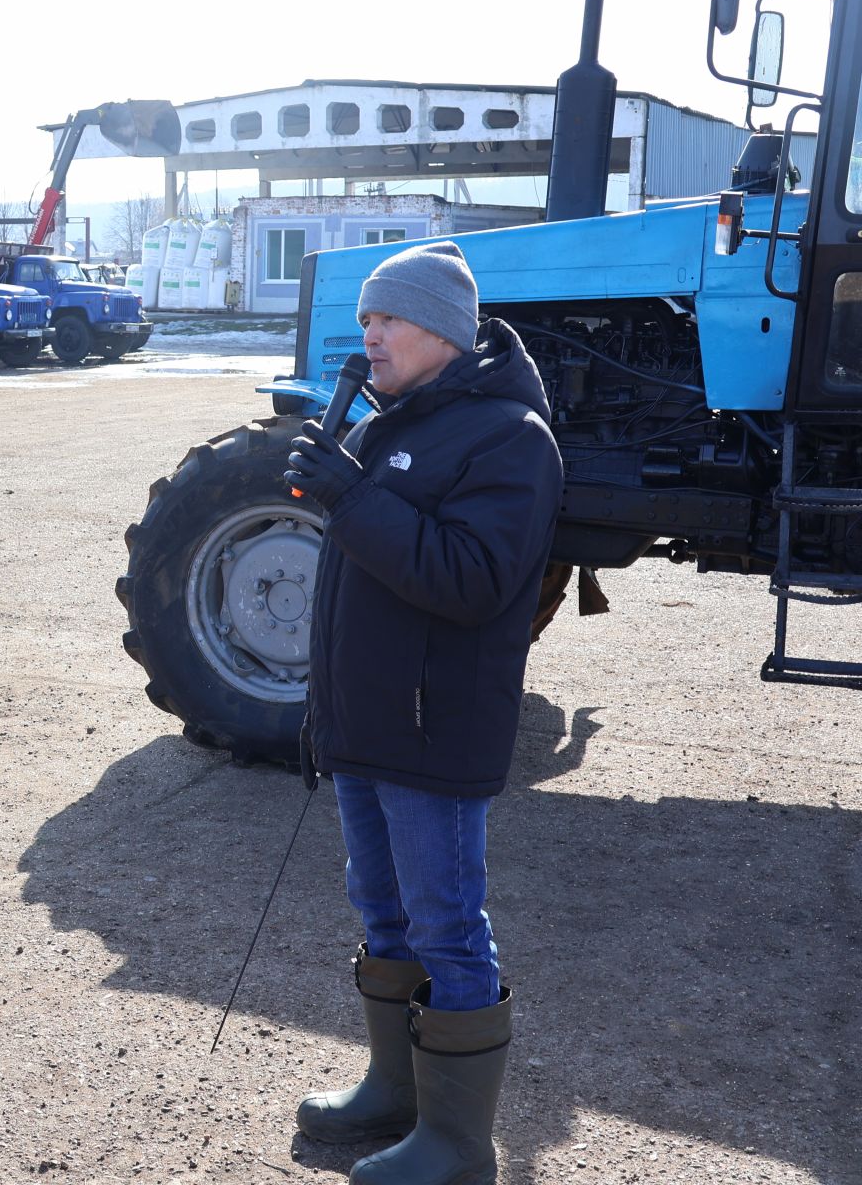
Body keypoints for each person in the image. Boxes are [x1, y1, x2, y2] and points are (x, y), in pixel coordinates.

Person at [284, 241, 563, 1185]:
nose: (369, 334)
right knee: (382, 909)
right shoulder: (389, 424)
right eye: (366, 318)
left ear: (442, 330)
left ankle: (457, 1143)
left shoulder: (509, 438)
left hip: (430, 730)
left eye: (387, 318)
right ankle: (395, 1091)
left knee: (446, 925)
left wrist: (351, 495)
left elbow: (471, 580)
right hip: (365, 725)